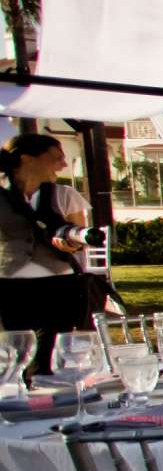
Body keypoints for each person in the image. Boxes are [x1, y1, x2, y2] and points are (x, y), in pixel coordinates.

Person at [1, 132, 95, 373]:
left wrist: (73, 244)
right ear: (27, 159)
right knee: (14, 355)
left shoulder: (65, 195)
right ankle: (21, 403)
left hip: (59, 284)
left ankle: (52, 403)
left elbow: (80, 236)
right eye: (56, 157)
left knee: (51, 357)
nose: (63, 164)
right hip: (11, 285)